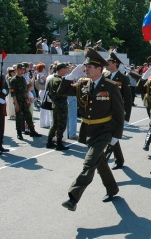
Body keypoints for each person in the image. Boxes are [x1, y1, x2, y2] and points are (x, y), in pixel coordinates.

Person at [59, 48, 124, 211]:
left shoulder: (110, 86)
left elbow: (118, 112)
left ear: (99, 69)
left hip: (104, 130)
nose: (86, 69)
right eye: (85, 67)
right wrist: (70, 76)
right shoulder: (82, 83)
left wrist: (116, 135)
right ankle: (112, 188)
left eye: (90, 67)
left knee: (89, 163)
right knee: (100, 161)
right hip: (89, 131)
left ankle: (73, 198)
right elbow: (62, 92)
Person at [105, 52, 132, 170]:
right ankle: (119, 160)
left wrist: (126, 116)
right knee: (111, 135)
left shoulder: (123, 78)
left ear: (115, 64)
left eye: (109, 62)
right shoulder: (104, 76)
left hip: (117, 112)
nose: (106, 64)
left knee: (112, 135)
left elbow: (128, 98)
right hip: (106, 111)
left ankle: (106, 159)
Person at [10, 63, 42, 140]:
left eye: (23, 69)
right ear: (17, 70)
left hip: (24, 100)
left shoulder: (23, 78)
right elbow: (13, 93)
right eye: (20, 69)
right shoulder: (13, 80)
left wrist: (28, 99)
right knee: (19, 117)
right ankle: (19, 133)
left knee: (28, 116)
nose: (22, 71)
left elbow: (26, 90)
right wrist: (16, 104)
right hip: (18, 101)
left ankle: (32, 131)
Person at [46, 63, 70, 150]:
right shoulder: (59, 80)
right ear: (60, 70)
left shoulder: (52, 79)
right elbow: (62, 92)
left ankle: (49, 141)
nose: (67, 70)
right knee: (62, 124)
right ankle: (59, 143)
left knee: (55, 124)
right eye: (65, 69)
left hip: (55, 104)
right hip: (61, 104)